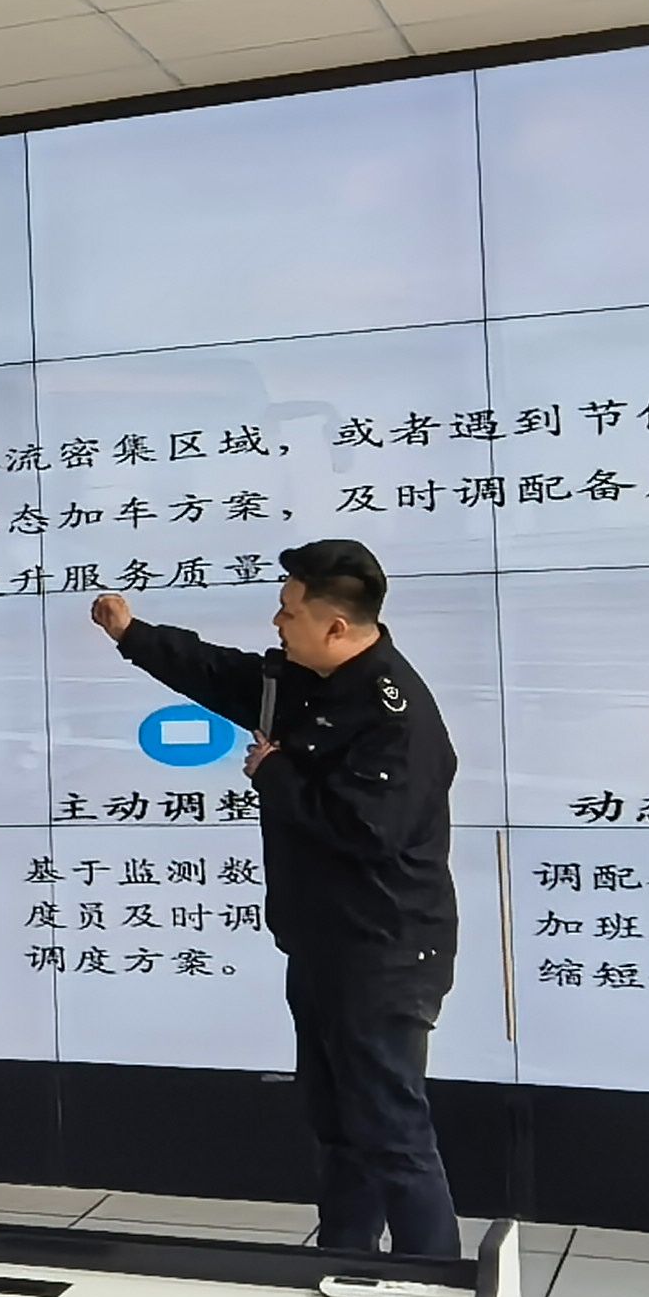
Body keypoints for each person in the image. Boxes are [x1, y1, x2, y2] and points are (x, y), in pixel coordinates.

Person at [93, 536, 462, 1257]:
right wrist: (133, 635)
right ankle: (346, 1258)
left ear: (337, 626)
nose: (277, 622)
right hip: (323, 942)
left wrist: (276, 773)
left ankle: (435, 1274)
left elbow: (368, 831)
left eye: (290, 611)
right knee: (338, 1122)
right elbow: (218, 672)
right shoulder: (302, 678)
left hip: (384, 951)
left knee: (390, 1127)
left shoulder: (396, 717)